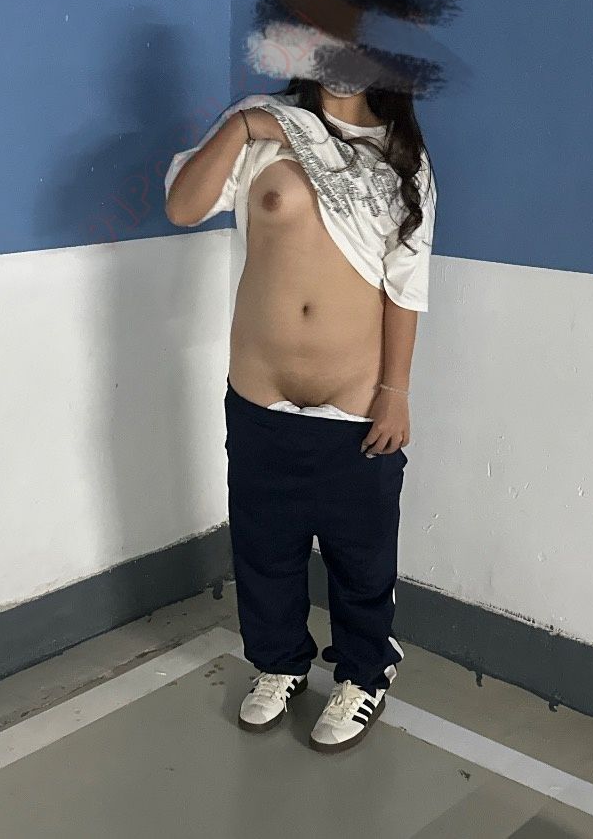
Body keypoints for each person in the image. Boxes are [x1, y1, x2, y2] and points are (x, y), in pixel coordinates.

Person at [165, 73, 436, 753]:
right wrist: (243, 127)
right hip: (260, 389)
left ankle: (365, 673)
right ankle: (279, 663)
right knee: (265, 547)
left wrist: (396, 391)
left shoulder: (402, 155)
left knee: (362, 555)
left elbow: (405, 284)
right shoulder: (263, 125)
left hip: (357, 396)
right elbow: (182, 208)